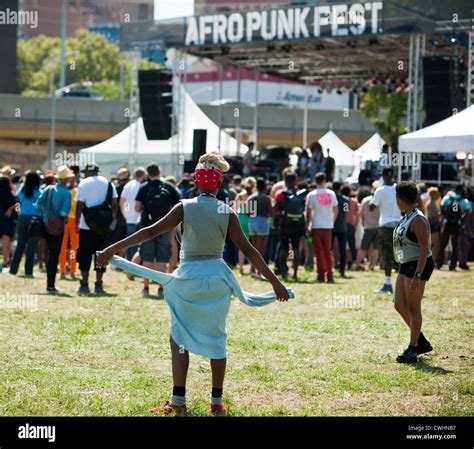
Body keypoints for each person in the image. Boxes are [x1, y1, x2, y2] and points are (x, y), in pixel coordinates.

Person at [96, 152, 290, 415]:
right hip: (218, 278)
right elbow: (250, 250)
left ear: (196, 182)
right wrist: (276, 282)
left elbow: (151, 231)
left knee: (178, 339)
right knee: (217, 338)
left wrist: (112, 248)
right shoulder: (227, 211)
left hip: (188, 278)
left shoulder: (183, 207)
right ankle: (217, 402)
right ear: (219, 184)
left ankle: (178, 401)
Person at [393, 181, 434, 363]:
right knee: (398, 304)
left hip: (418, 264)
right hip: (406, 263)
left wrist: (418, 275)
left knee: (413, 307)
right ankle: (420, 340)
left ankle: (413, 348)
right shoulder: (407, 216)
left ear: (400, 199)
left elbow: (425, 249)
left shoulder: (418, 219)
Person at [135, 162, 180, 298]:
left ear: (148, 174)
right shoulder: (169, 187)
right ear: (160, 171)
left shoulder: (144, 187)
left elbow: (137, 208)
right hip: (164, 227)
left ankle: (146, 287)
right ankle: (161, 288)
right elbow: (177, 207)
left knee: (147, 257)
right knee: (162, 258)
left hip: (147, 228)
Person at [76, 163, 118, 295]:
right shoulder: (108, 183)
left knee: (84, 255)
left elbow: (79, 205)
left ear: (88, 172)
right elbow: (114, 203)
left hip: (86, 226)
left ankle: (84, 283)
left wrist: (77, 221)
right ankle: (99, 284)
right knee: (101, 255)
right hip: (104, 227)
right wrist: (112, 219)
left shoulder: (83, 183)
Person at [34, 166, 72, 293]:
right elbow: (63, 214)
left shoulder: (48, 189)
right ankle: (50, 285)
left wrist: (46, 214)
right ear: (66, 179)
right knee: (54, 255)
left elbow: (38, 204)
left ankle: (49, 283)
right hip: (57, 228)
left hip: (45, 224)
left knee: (45, 253)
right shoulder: (66, 193)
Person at [370, 168, 401, 294]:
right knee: (399, 254)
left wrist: (374, 195)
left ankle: (388, 284)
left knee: (386, 254)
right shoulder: (398, 188)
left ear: (382, 176)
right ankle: (402, 284)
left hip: (385, 225)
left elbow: (372, 207)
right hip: (399, 224)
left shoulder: (380, 190)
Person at [274, 170, 307, 280]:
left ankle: (283, 273)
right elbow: (304, 209)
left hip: (284, 224)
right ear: (295, 180)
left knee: (284, 249)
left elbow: (276, 209)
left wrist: (275, 222)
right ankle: (295, 274)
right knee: (296, 249)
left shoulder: (281, 194)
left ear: (285, 180)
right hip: (297, 225)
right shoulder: (301, 194)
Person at [305, 172, 338, 283]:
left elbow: (308, 212)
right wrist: (331, 221)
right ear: (325, 181)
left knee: (318, 252)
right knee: (328, 251)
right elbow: (336, 209)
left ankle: (320, 275)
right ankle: (330, 275)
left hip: (316, 226)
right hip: (328, 226)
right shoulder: (331, 193)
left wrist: (308, 224)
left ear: (315, 181)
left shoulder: (311, 195)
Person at [9, 171, 41, 277]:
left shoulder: (22, 190)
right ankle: (28, 272)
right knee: (31, 246)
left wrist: (18, 212)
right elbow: (41, 207)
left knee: (20, 245)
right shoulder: (38, 192)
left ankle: (13, 270)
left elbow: (17, 203)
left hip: (22, 218)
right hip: (34, 218)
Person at [436, 185, 471, 270]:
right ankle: (453, 265)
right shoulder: (464, 201)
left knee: (443, 244)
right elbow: (467, 211)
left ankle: (439, 263)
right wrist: (460, 219)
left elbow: (441, 208)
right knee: (455, 245)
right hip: (456, 225)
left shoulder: (447, 198)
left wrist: (446, 217)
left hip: (447, 223)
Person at [247, 178, 273, 278]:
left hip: (252, 222)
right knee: (261, 250)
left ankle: (252, 269)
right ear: (265, 187)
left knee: (254, 248)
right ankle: (259, 272)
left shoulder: (251, 198)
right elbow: (271, 213)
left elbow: (247, 212)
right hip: (262, 221)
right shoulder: (266, 198)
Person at [120, 167, 146, 261]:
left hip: (129, 218)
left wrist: (125, 214)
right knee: (136, 242)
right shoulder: (143, 186)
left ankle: (127, 262)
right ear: (143, 175)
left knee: (128, 243)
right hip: (138, 218)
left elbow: (122, 202)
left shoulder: (128, 185)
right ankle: (133, 264)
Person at [355, 185, 380, 270]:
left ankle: (357, 264)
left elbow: (361, 213)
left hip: (368, 226)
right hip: (378, 226)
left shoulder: (365, 200)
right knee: (375, 248)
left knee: (363, 247)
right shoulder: (380, 201)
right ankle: (372, 265)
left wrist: (363, 222)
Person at [59, 174, 79, 280]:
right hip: (74, 221)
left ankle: (62, 271)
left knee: (62, 248)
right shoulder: (76, 191)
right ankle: (72, 271)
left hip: (63, 221)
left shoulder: (61, 191)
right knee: (73, 248)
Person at [234, 177, 256, 275]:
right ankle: (252, 268)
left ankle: (241, 267)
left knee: (242, 244)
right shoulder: (254, 196)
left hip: (241, 219)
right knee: (253, 245)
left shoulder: (240, 196)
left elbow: (234, 209)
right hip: (251, 220)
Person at [332, 181, 349, 278]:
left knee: (329, 249)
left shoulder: (331, 198)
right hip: (342, 226)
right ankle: (342, 270)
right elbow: (346, 213)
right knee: (342, 250)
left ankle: (330, 268)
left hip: (331, 225)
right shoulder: (345, 200)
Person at [0, 176, 17, 271]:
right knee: (6, 242)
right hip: (7, 220)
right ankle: (5, 262)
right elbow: (18, 204)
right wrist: (12, 208)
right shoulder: (10, 194)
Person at [341, 184, 359, 270]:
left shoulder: (342, 201)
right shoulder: (354, 201)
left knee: (343, 245)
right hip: (350, 225)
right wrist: (355, 225)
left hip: (343, 225)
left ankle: (344, 263)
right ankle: (354, 263)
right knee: (352, 245)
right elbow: (357, 214)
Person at [425, 187, 441, 263]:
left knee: (432, 245)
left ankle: (431, 261)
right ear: (433, 194)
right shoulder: (431, 203)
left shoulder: (432, 202)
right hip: (433, 225)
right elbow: (434, 215)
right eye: (437, 193)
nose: (438, 194)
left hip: (431, 225)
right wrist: (442, 213)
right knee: (436, 244)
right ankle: (432, 262)